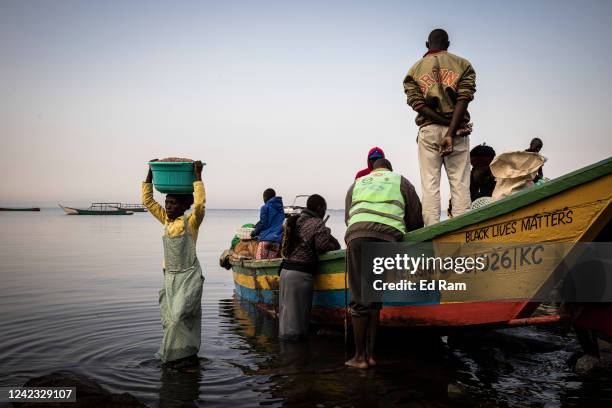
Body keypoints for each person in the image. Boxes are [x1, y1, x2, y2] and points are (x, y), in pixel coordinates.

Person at [344, 158, 423, 368]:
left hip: (358, 236)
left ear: (374, 169)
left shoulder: (358, 183)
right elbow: (416, 219)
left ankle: (359, 358)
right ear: (389, 169)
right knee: (374, 297)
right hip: (389, 238)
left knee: (359, 298)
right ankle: (371, 355)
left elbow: (348, 217)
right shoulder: (401, 181)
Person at [403, 28, 476, 226]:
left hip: (428, 130)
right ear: (448, 44)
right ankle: (462, 231)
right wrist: (452, 129)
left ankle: (432, 232)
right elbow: (464, 97)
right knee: (460, 184)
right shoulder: (463, 64)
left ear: (427, 45)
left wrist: (443, 124)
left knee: (430, 185)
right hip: (457, 131)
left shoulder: (414, 70)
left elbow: (418, 104)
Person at [142, 160, 205, 367]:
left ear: (184, 206)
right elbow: (149, 202)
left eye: (173, 204)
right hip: (169, 277)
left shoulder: (191, 222)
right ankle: (181, 355)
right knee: (169, 320)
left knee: (179, 317)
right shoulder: (166, 221)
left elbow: (200, 205)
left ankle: (179, 353)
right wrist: (150, 174)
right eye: (167, 203)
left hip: (188, 276)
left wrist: (197, 177)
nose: (168, 207)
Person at [278, 194, 340, 341]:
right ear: (319, 209)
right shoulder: (317, 223)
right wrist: (328, 235)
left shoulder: (294, 220)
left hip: (285, 272)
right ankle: (296, 358)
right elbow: (322, 247)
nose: (324, 212)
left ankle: (285, 355)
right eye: (324, 209)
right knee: (298, 323)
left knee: (286, 318)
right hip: (300, 275)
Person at [251, 188, 285, 259]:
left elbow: (263, 224)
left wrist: (254, 233)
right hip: (276, 241)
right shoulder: (280, 209)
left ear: (265, 197)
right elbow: (273, 221)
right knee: (270, 262)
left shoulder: (265, 207)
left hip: (265, 240)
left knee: (259, 264)